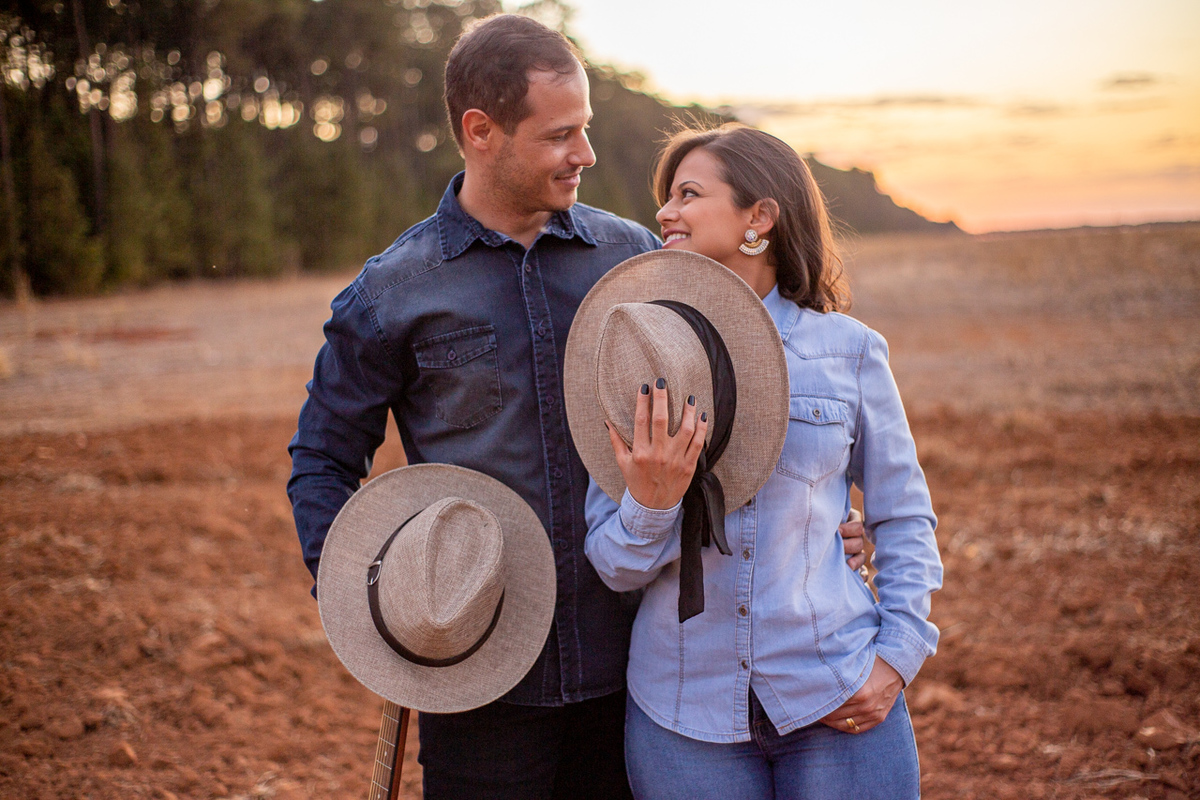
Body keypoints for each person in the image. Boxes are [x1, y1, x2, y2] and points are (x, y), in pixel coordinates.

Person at [287, 14, 867, 799]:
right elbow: (322, 458)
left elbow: (736, 401)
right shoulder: (393, 291)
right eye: (561, 135)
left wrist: (819, 519)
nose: (585, 154)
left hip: (640, 672)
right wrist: (373, 600)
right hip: (480, 686)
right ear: (481, 131)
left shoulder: (631, 259)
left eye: (586, 129)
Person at [581, 123, 943, 799]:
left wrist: (896, 658)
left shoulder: (850, 352)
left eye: (688, 193)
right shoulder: (638, 356)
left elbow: (904, 517)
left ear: (760, 216)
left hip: (835, 688)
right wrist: (653, 502)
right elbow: (613, 562)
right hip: (682, 716)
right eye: (665, 197)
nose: (664, 212)